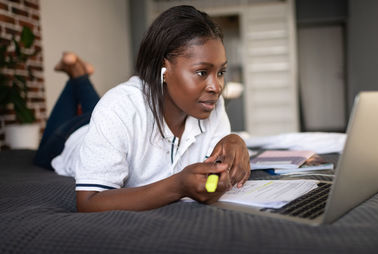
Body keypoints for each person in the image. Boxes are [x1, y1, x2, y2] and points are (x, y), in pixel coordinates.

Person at [34, 5, 250, 212]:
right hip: (70, 136)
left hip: (106, 120)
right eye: (202, 72)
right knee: (53, 142)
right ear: (163, 70)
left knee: (95, 108)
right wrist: (177, 186)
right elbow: (89, 201)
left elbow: (216, 167)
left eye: (221, 72)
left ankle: (78, 72)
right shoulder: (118, 107)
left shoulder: (210, 103)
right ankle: (76, 74)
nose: (217, 87)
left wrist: (233, 141)